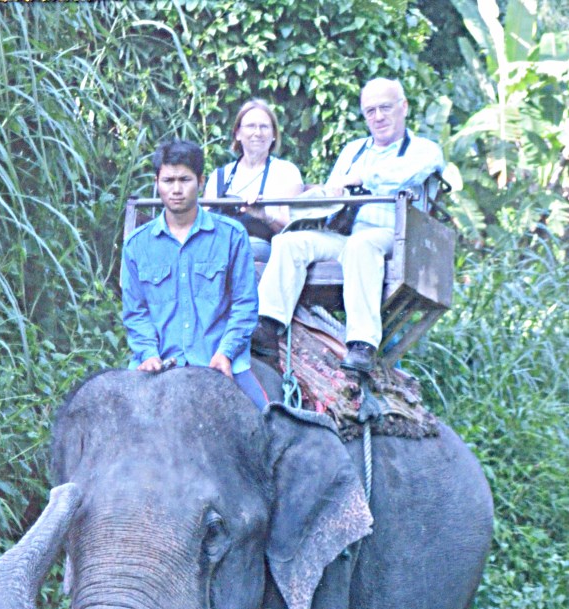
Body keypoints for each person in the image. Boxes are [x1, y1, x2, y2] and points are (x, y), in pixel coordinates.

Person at [252, 78, 445, 375]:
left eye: (385, 108)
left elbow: (405, 176)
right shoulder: (354, 150)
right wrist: (327, 195)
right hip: (349, 235)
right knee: (290, 242)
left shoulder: (422, 150)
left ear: (403, 107)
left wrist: (361, 179)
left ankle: (362, 344)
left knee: (363, 244)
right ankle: (268, 325)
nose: (378, 117)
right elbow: (334, 190)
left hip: (399, 237)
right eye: (370, 111)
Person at [122, 139, 267, 409]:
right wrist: (149, 354)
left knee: (269, 426)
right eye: (168, 180)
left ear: (200, 182)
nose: (176, 189)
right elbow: (135, 312)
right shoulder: (136, 245)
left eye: (184, 179)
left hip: (222, 363)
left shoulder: (232, 236)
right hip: (159, 363)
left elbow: (245, 305)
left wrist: (226, 352)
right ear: (157, 182)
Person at [203, 98, 303, 261]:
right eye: (250, 126)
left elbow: (294, 229)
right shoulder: (220, 176)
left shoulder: (286, 172)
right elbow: (205, 222)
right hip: (218, 245)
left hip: (261, 248)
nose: (258, 133)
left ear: (273, 135)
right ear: (238, 133)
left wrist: (265, 215)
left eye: (264, 127)